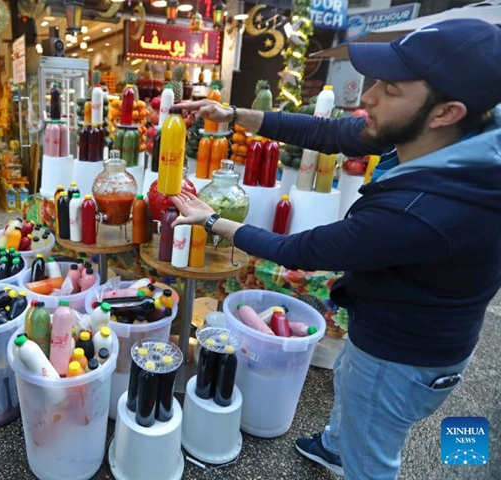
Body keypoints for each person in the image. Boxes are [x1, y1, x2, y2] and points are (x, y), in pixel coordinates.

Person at [175, 19, 501, 479]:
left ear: (445, 112)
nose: (368, 97)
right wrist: (236, 116)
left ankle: (356, 457)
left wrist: (212, 220)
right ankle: (334, 445)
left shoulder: (430, 208)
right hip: (396, 328)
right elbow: (329, 134)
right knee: (355, 394)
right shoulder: (440, 139)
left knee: (374, 450)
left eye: (390, 88)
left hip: (402, 356)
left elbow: (301, 251)